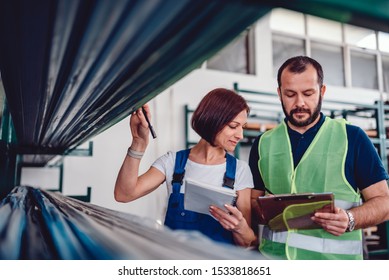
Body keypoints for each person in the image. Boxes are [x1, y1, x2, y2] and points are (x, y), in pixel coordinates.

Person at [249, 55, 389, 260]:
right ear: (279, 93)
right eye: (290, 94)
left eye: (308, 93)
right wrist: (262, 210)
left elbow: (384, 203)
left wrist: (351, 218)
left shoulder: (353, 138)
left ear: (322, 91)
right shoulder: (262, 144)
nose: (300, 103)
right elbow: (252, 204)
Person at [115, 88, 256, 247]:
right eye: (233, 126)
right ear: (212, 119)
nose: (240, 135)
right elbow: (124, 194)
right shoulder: (172, 162)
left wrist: (240, 228)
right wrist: (138, 143)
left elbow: (247, 243)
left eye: (242, 126)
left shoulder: (240, 170)